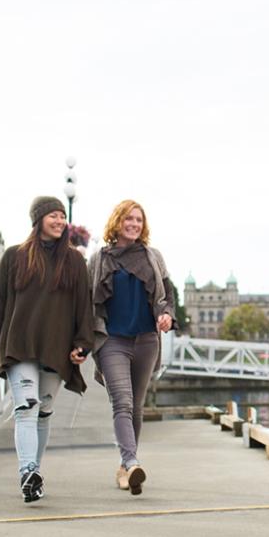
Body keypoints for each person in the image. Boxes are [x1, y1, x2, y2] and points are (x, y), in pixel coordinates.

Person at [0, 196, 94, 503]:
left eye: (63, 216)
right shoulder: (14, 256)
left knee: (44, 412)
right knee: (26, 407)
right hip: (19, 345)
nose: (60, 221)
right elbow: (0, 302)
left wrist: (82, 344)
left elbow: (82, 309)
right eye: (53, 216)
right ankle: (27, 472)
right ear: (38, 220)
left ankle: (34, 473)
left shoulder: (75, 261)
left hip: (56, 348)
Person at [89, 200, 176, 496]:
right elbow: (87, 301)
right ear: (117, 222)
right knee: (122, 402)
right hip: (112, 340)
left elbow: (167, 294)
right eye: (129, 219)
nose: (134, 224)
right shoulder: (99, 260)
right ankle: (132, 460)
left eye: (139, 220)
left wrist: (167, 315)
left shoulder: (153, 257)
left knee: (136, 406)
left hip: (146, 340)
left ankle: (126, 469)